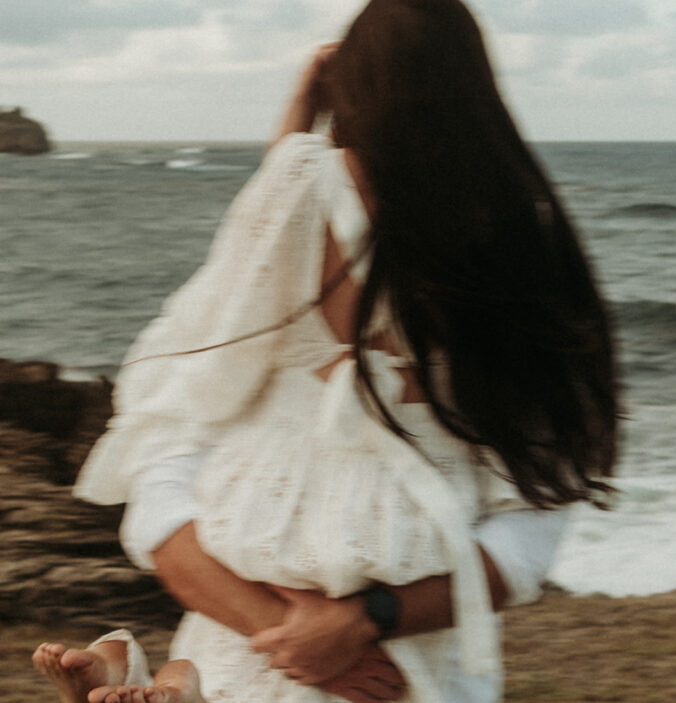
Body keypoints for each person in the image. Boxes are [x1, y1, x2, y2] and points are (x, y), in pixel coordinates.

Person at [32, 1, 618, 702]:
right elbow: (532, 516)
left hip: (251, 644)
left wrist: (304, 113)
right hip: (413, 658)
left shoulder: (300, 192)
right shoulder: (527, 232)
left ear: (350, 82)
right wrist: (356, 623)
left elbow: (230, 293)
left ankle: (129, 679)